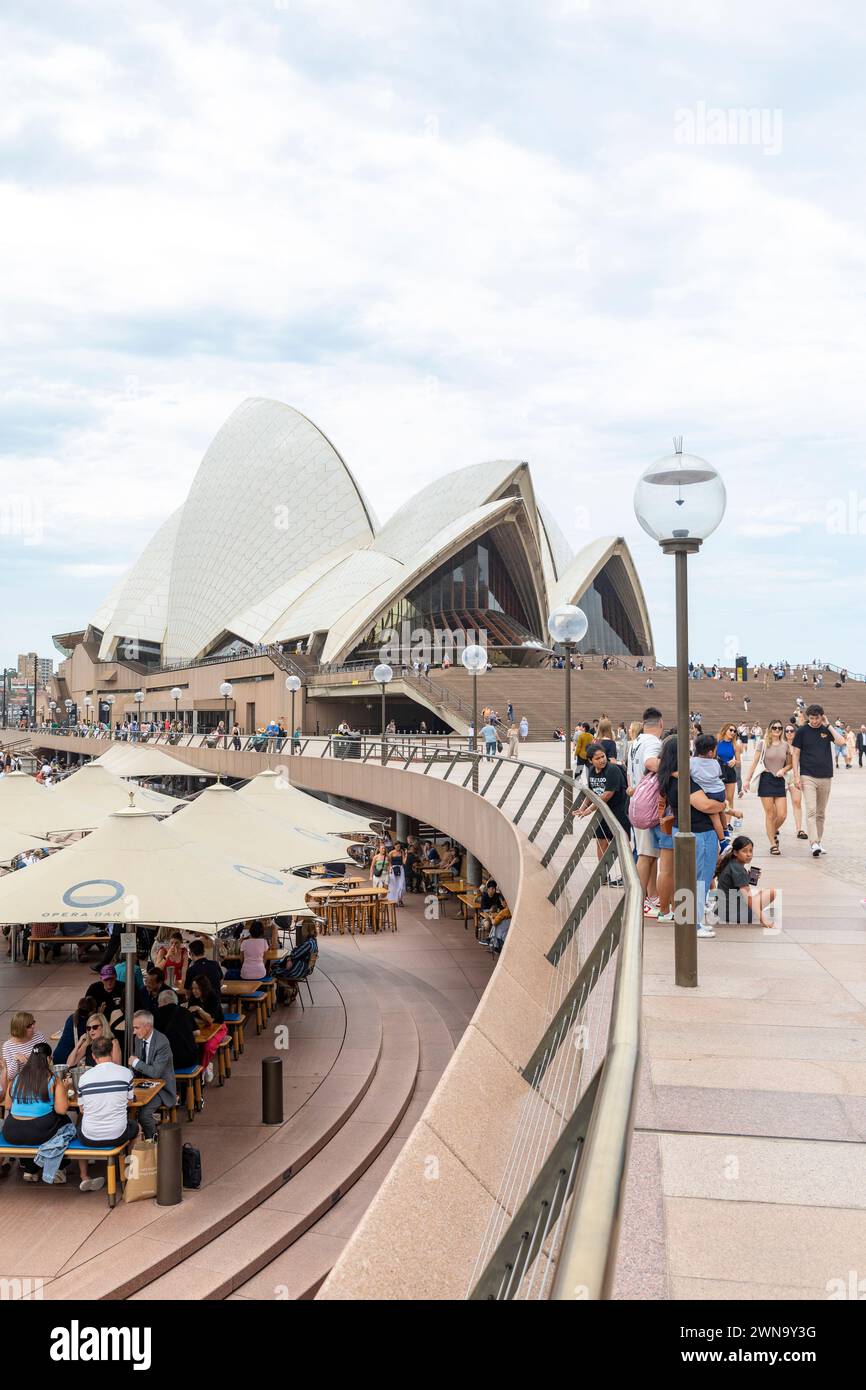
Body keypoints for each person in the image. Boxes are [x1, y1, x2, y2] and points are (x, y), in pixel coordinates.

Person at [657, 735, 725, 937]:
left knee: (689, 878)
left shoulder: (671, 777)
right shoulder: (684, 782)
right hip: (699, 833)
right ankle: (692, 924)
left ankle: (688, 920)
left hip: (683, 830)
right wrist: (723, 806)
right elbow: (705, 805)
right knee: (699, 878)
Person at [2, 1043, 73, 1183]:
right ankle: (58, 1168)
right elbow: (62, 1109)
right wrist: (64, 1089)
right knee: (66, 1124)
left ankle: (30, 1169)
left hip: (12, 1132)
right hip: (39, 1131)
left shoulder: (17, 1078)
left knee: (28, 1132)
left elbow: (8, 1105)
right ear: (49, 1058)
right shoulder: (52, 1080)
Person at [75, 1036, 138, 1192]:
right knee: (137, 1128)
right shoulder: (125, 1073)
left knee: (78, 1125)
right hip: (118, 1134)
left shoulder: (83, 1078)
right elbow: (130, 1101)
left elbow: (82, 1109)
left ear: (93, 1056)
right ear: (111, 1052)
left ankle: (84, 1176)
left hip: (89, 1137)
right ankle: (132, 1173)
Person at [790, 704, 847, 856]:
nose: (814, 721)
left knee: (821, 813)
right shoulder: (802, 731)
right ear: (808, 717)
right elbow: (795, 754)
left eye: (817, 718)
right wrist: (796, 776)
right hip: (808, 776)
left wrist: (828, 725)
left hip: (826, 776)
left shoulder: (826, 729)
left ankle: (819, 841)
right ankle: (813, 843)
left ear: (822, 716)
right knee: (811, 811)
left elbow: (841, 742)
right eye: (812, 718)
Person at [628, 707, 665, 917]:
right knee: (645, 854)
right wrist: (673, 765)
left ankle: (651, 896)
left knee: (649, 853)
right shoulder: (653, 742)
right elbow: (650, 763)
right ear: (661, 724)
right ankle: (639, 900)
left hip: (637, 802)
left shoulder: (635, 742)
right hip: (648, 804)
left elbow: (628, 772)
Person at [576, 743, 630, 879]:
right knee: (601, 842)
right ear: (590, 761)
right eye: (597, 758)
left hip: (618, 812)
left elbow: (607, 795)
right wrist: (582, 808)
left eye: (603, 756)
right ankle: (603, 875)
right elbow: (591, 794)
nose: (602, 760)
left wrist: (588, 811)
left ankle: (627, 876)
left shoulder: (612, 770)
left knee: (622, 844)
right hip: (602, 813)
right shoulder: (592, 771)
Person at [129, 1011, 177, 1139]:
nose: (134, 1032)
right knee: (128, 1109)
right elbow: (136, 1068)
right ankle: (137, 1142)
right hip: (143, 1086)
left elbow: (156, 1072)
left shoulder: (162, 1043)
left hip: (162, 1089)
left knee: (144, 1115)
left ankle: (154, 1142)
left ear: (148, 1026)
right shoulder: (138, 1039)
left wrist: (136, 1062)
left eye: (136, 1028)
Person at [743, 720, 790, 854]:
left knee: (782, 814)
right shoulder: (763, 744)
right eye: (774, 728)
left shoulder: (785, 745)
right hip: (766, 779)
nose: (777, 730)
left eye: (779, 728)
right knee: (770, 814)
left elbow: (790, 763)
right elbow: (755, 762)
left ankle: (772, 831)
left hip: (779, 780)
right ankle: (772, 843)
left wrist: (784, 770)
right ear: (769, 729)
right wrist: (746, 780)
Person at [713, 836, 777, 928]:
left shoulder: (731, 863)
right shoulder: (738, 869)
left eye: (751, 851)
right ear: (735, 852)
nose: (748, 854)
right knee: (771, 892)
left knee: (761, 893)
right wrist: (763, 919)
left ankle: (750, 913)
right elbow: (748, 897)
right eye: (744, 851)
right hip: (733, 915)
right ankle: (752, 915)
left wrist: (747, 877)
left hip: (721, 912)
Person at [185, 977, 227, 1080]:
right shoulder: (193, 998)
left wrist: (199, 1009)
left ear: (204, 988)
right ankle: (205, 1065)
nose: (194, 991)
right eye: (193, 988)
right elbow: (191, 1016)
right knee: (191, 1044)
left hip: (219, 1028)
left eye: (197, 988)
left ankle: (201, 1073)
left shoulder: (213, 997)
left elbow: (210, 1020)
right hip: (201, 1027)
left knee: (207, 1046)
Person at [689, 734, 728, 843]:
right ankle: (725, 830)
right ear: (710, 752)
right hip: (720, 791)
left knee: (714, 817)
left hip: (709, 793)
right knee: (721, 810)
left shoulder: (692, 762)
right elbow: (719, 774)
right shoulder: (715, 763)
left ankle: (722, 840)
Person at [1, 1012, 48, 1093]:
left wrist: (30, 1061)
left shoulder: (39, 1037)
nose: (33, 1026)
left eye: (33, 1023)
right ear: (20, 1029)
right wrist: (16, 1059)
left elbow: (47, 1060)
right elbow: (10, 1076)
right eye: (29, 1026)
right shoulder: (7, 1046)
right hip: (20, 1085)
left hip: (40, 1078)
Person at [274, 921, 319, 1004]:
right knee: (279, 966)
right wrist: (291, 956)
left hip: (299, 969)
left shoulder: (308, 944)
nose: (301, 930)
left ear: (306, 930)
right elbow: (296, 952)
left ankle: (291, 989)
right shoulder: (313, 941)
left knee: (273, 972)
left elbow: (295, 953)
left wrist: (290, 958)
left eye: (303, 928)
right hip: (304, 968)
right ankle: (290, 989)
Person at [154, 990, 200, 1070]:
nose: (158, 1005)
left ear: (164, 1001)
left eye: (159, 1003)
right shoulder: (186, 1011)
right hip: (190, 1059)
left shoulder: (156, 1014)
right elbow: (197, 1032)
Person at [84, 966, 126, 1040]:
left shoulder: (123, 988)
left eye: (111, 979)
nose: (109, 982)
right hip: (98, 1026)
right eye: (106, 979)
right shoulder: (94, 989)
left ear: (116, 977)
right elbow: (85, 1010)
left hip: (119, 1026)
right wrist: (97, 1015)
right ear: (101, 979)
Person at [782, 723, 808, 840]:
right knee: (779, 805)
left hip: (795, 776)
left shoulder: (800, 746)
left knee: (797, 802)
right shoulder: (781, 745)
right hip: (782, 776)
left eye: (791, 731)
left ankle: (799, 829)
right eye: (786, 731)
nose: (789, 733)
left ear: (795, 732)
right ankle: (776, 826)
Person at [52, 997, 94, 1065]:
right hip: (69, 1060)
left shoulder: (72, 1017)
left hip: (57, 1056)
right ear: (92, 1010)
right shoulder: (88, 1023)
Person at [715, 723, 742, 818]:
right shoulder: (717, 742)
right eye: (730, 730)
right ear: (725, 730)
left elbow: (739, 763)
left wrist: (735, 761)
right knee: (720, 798)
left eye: (734, 731)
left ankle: (728, 822)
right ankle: (720, 819)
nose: (733, 732)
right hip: (718, 771)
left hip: (730, 771)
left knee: (729, 798)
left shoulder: (735, 745)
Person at [387, 842, 406, 906]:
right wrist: (390, 869)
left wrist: (406, 855)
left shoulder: (402, 852)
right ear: (394, 846)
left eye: (399, 846)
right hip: (393, 869)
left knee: (401, 885)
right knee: (393, 885)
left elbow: (404, 862)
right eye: (397, 846)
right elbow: (389, 862)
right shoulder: (391, 853)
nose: (398, 848)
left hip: (400, 868)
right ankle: (394, 900)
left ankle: (400, 899)